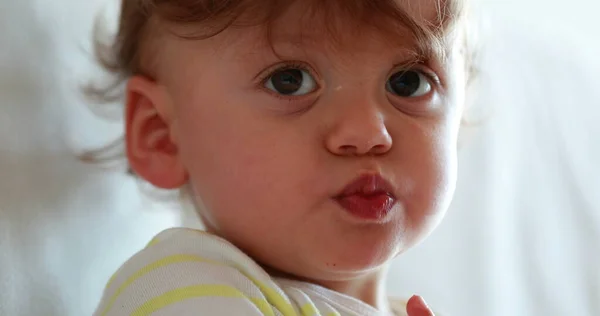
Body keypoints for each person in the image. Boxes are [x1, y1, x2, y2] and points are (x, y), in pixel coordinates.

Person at [90, 0, 474, 315]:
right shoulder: (185, 290)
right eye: (289, 81)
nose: (368, 134)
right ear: (162, 135)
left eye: (408, 82)